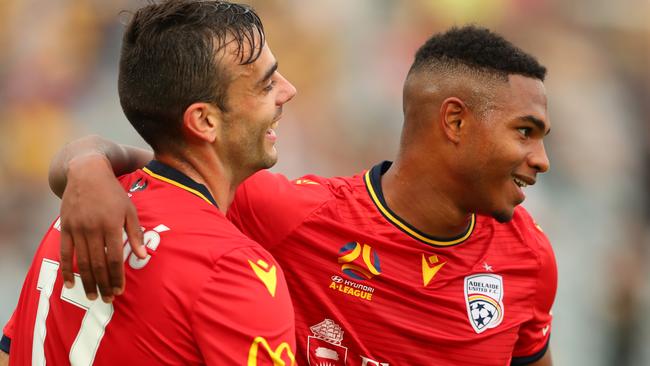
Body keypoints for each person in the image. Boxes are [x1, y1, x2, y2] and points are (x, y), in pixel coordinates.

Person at [5, 25, 556, 365]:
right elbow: (174, 164)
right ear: (454, 121)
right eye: (525, 132)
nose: (541, 160)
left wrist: (84, 165)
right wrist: (87, 165)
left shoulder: (530, 260)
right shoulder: (289, 216)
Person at [0, 0, 298, 364]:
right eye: (266, 85)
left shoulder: (76, 219)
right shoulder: (233, 268)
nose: (288, 91)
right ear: (204, 121)